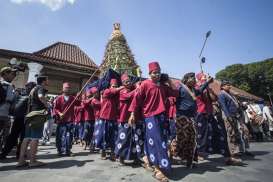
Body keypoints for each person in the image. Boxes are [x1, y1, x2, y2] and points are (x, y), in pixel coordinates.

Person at [128, 62, 179, 182]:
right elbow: (136, 100)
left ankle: (157, 164)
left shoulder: (162, 86)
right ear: (149, 73)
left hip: (162, 117)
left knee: (162, 141)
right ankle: (158, 170)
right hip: (150, 117)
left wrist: (169, 80)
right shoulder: (145, 84)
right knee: (157, 142)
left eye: (159, 72)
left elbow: (176, 93)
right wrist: (132, 114)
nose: (157, 74)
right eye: (154, 72)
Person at [194, 72, 241, 165]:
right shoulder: (196, 88)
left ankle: (228, 157)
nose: (207, 78)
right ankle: (197, 155)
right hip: (200, 114)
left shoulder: (208, 88)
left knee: (219, 134)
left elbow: (214, 98)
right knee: (200, 136)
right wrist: (205, 84)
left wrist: (209, 88)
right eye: (205, 77)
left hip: (210, 113)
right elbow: (199, 94)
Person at [17, 75, 49, 167]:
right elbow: (40, 96)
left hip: (29, 115)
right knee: (35, 138)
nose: (48, 81)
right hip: (37, 115)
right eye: (47, 80)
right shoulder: (40, 88)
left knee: (26, 138)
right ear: (43, 81)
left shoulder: (32, 89)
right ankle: (32, 161)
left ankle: (21, 160)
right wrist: (47, 105)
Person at [0, 82, 36, 159]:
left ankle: (4, 153)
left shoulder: (20, 93)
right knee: (23, 137)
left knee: (12, 136)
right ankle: (19, 154)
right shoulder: (33, 95)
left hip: (18, 117)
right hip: (26, 118)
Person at [218, 80, 252, 157]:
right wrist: (228, 116)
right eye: (227, 85)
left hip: (237, 115)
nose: (229, 86)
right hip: (229, 116)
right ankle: (233, 152)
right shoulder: (221, 94)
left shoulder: (231, 94)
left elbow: (237, 104)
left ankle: (241, 149)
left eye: (230, 84)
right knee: (231, 133)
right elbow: (223, 106)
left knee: (241, 132)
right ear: (222, 86)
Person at [94, 79, 123, 160]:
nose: (115, 88)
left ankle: (113, 153)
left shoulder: (117, 95)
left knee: (114, 136)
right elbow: (113, 91)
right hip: (104, 118)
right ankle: (103, 151)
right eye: (113, 86)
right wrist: (121, 87)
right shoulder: (106, 91)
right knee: (104, 136)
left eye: (116, 86)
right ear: (110, 86)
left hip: (113, 118)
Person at [114, 73, 137, 165]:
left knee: (132, 139)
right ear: (122, 83)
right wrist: (137, 89)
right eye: (125, 81)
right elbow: (128, 96)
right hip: (124, 118)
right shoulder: (122, 91)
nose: (128, 83)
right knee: (123, 138)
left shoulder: (133, 89)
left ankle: (134, 157)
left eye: (129, 81)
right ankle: (120, 156)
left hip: (133, 117)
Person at [54, 82, 79, 157]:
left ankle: (68, 150)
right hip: (61, 120)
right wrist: (59, 113)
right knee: (60, 136)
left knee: (69, 136)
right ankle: (60, 150)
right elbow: (55, 108)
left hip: (70, 120)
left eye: (68, 88)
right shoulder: (59, 98)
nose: (67, 89)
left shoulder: (72, 98)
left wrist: (78, 97)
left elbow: (79, 103)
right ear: (63, 89)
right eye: (66, 88)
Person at [0, 67, 17, 151]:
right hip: (2, 113)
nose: (13, 76)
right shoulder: (8, 85)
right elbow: (11, 99)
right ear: (5, 74)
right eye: (12, 74)